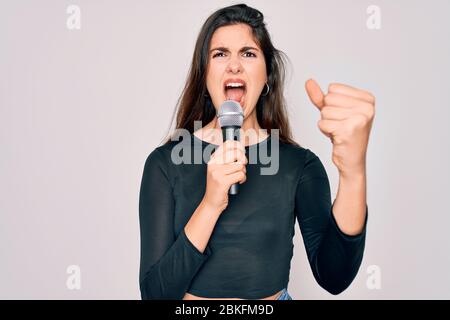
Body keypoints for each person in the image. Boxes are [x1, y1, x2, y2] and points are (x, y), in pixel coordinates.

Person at [138, 3, 375, 300]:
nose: (234, 65)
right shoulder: (165, 163)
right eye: (220, 54)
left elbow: (334, 277)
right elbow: (155, 295)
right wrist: (211, 204)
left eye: (248, 53)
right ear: (205, 74)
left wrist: (353, 172)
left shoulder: (298, 165)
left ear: (267, 76)